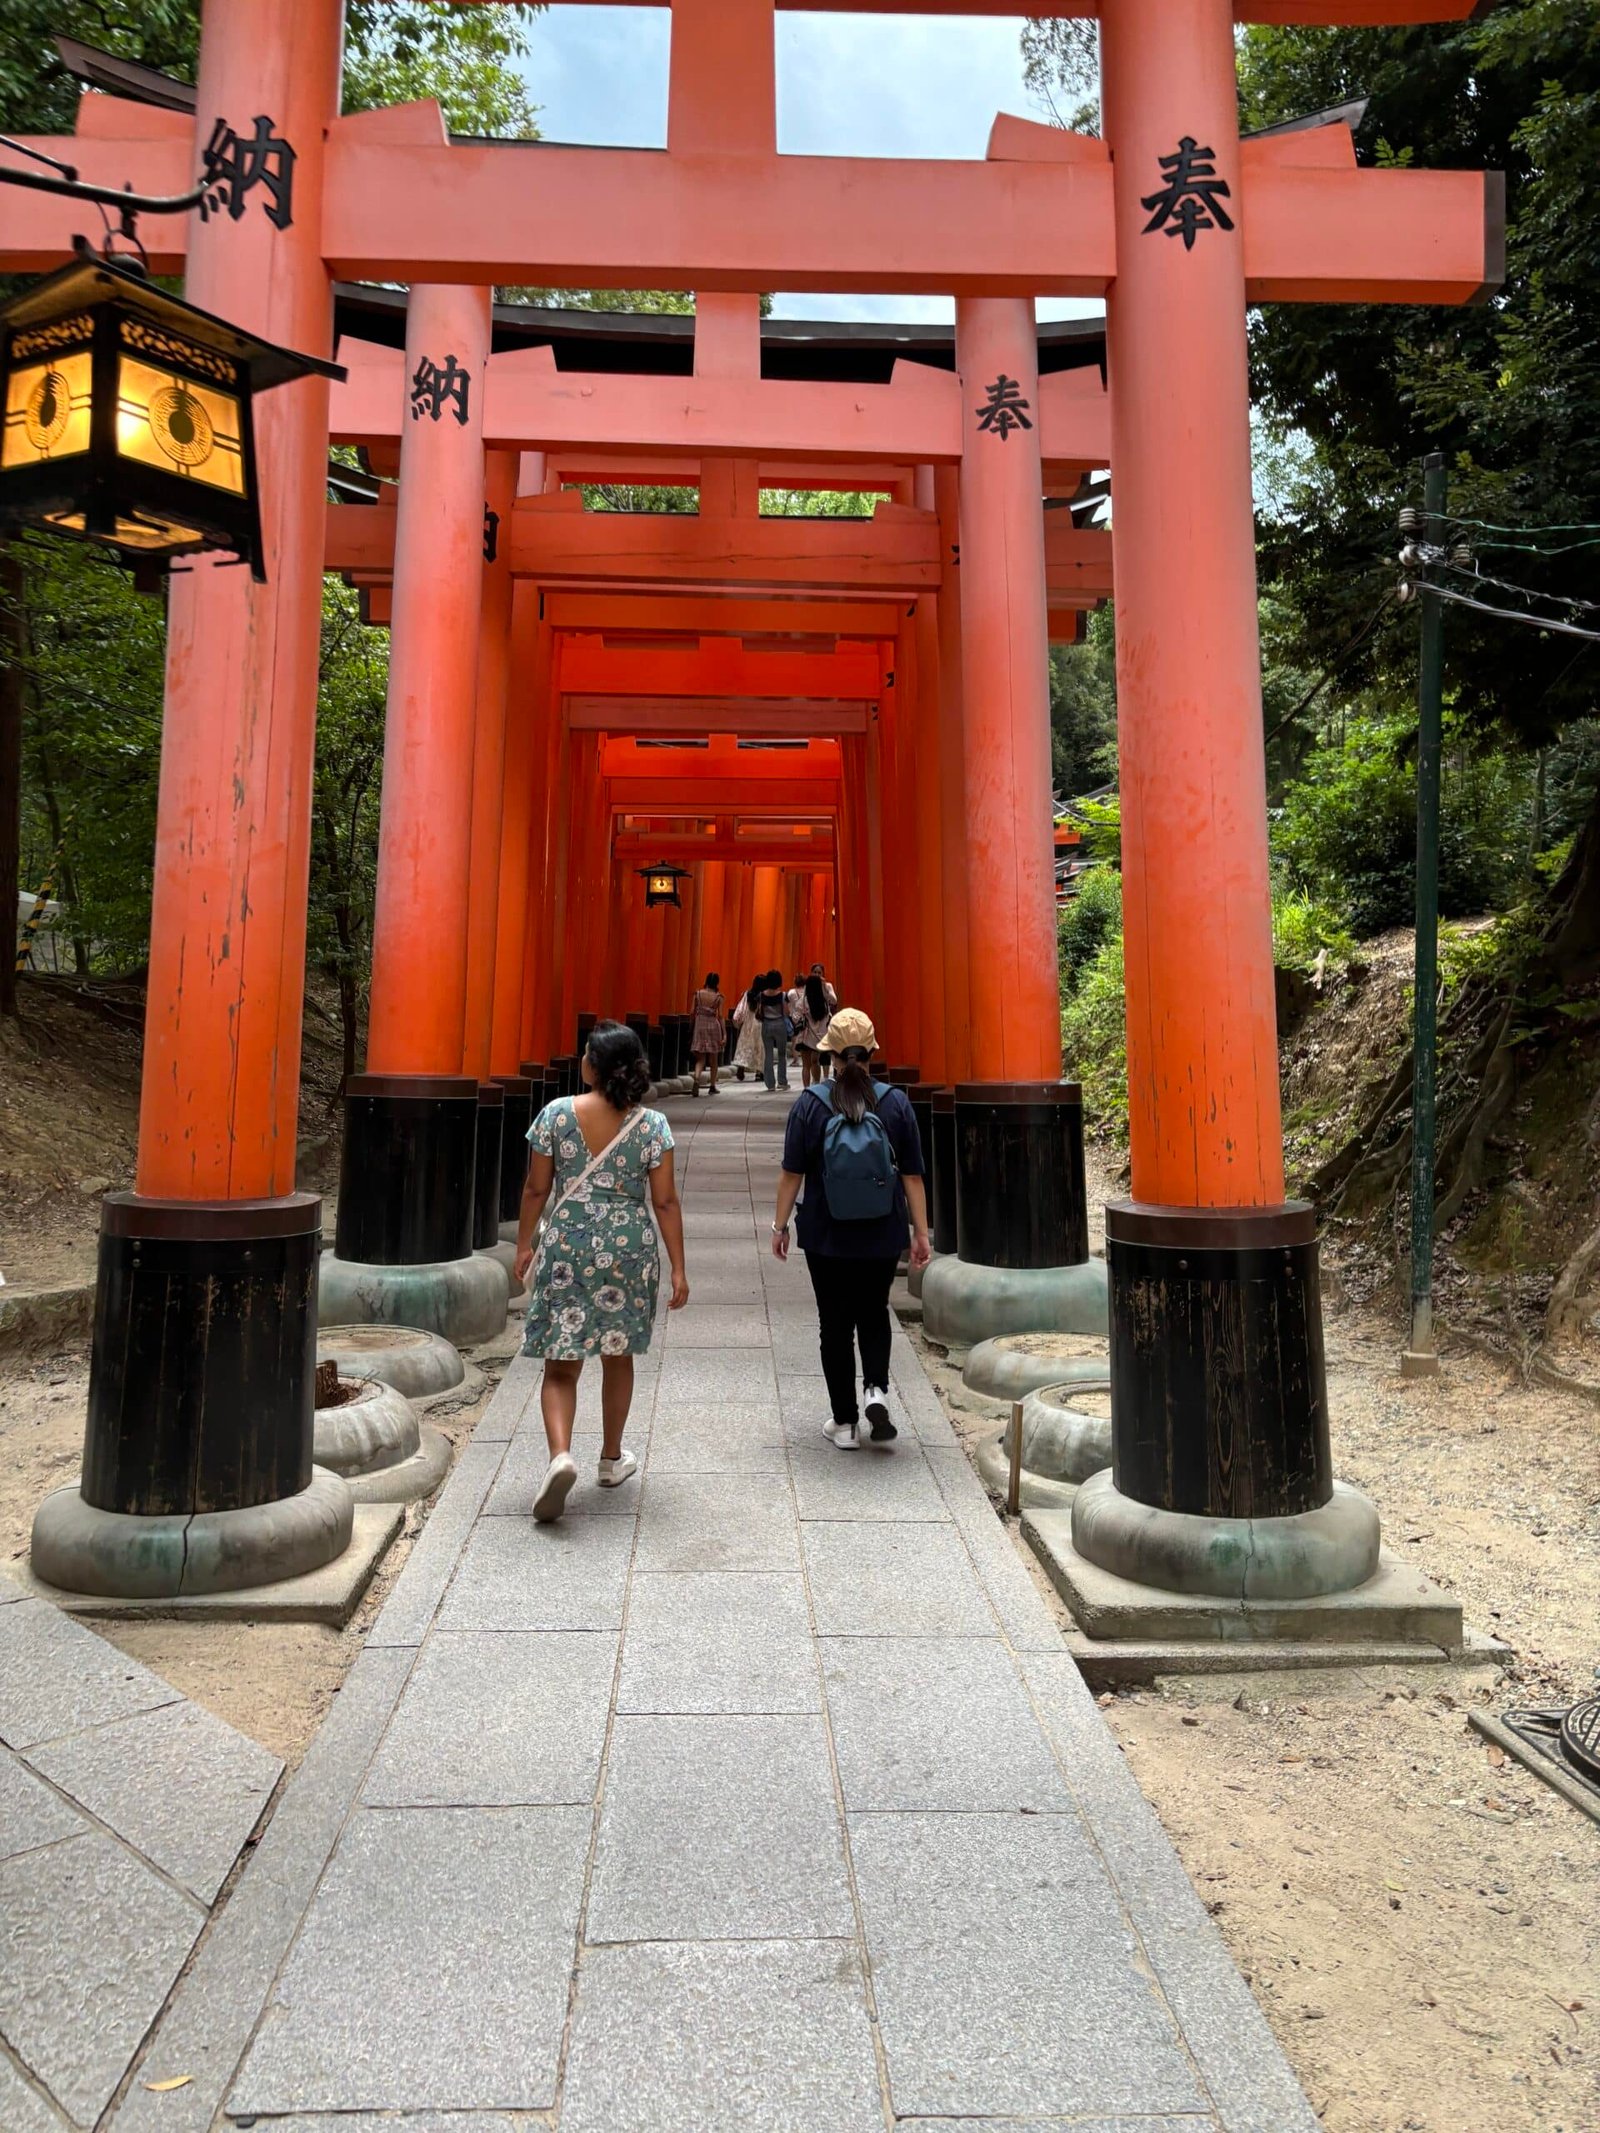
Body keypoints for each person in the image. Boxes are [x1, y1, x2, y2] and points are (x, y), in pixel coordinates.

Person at [514, 1021, 688, 1521]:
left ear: (593, 1065)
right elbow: (665, 1201)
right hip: (628, 1248)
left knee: (561, 1364)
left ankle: (560, 1456)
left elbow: (536, 1188)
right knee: (617, 1355)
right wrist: (679, 1268)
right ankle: (611, 1459)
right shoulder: (652, 1126)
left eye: (586, 1054)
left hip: (568, 1244)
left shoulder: (555, 1115)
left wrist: (524, 1244)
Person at [770, 1008, 931, 1449]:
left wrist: (779, 1226)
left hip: (827, 1233)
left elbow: (791, 1172)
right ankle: (876, 1389)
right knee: (874, 1311)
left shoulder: (811, 1105)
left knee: (835, 1323)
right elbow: (912, 1175)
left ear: (831, 1055)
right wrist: (920, 1232)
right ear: (872, 1051)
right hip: (882, 1231)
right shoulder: (895, 1103)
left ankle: (844, 1423)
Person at [793, 965, 837, 1088]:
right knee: (815, 1062)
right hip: (818, 1036)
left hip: (805, 1036)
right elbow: (834, 1001)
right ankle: (816, 1085)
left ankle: (806, 1088)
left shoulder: (804, 1001)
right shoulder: (824, 1003)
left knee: (806, 1065)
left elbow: (796, 1015)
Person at [688, 971, 726, 1097]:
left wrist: (691, 1026)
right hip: (713, 1025)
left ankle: (697, 1078)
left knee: (701, 1058)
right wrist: (724, 1034)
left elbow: (692, 1012)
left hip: (700, 1025)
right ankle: (712, 1086)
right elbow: (720, 1016)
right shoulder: (719, 997)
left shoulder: (698, 994)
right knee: (713, 1059)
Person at [756, 967, 791, 1091]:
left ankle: (770, 1084)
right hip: (779, 1024)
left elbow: (759, 1010)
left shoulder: (762, 995)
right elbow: (786, 1012)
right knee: (781, 1054)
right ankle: (782, 1081)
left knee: (768, 1054)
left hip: (766, 1024)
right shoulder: (783, 995)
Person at [731, 971, 766, 1082]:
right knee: (760, 1048)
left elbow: (741, 1009)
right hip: (761, 1023)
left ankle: (741, 1067)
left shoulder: (748, 994)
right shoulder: (765, 995)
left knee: (745, 1046)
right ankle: (759, 1072)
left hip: (748, 1023)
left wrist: (737, 1022)